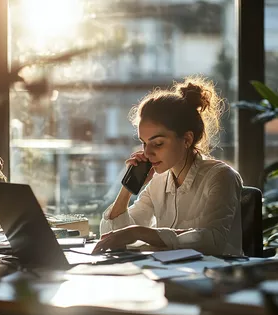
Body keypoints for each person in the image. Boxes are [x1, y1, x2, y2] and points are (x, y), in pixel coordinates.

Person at [93, 76, 243, 255]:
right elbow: (111, 236)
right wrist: (128, 187)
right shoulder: (159, 180)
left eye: (157, 144)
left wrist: (139, 232)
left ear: (187, 139)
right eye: (144, 143)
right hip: (170, 276)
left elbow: (211, 240)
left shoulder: (221, 176)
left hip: (218, 277)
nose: (147, 153)